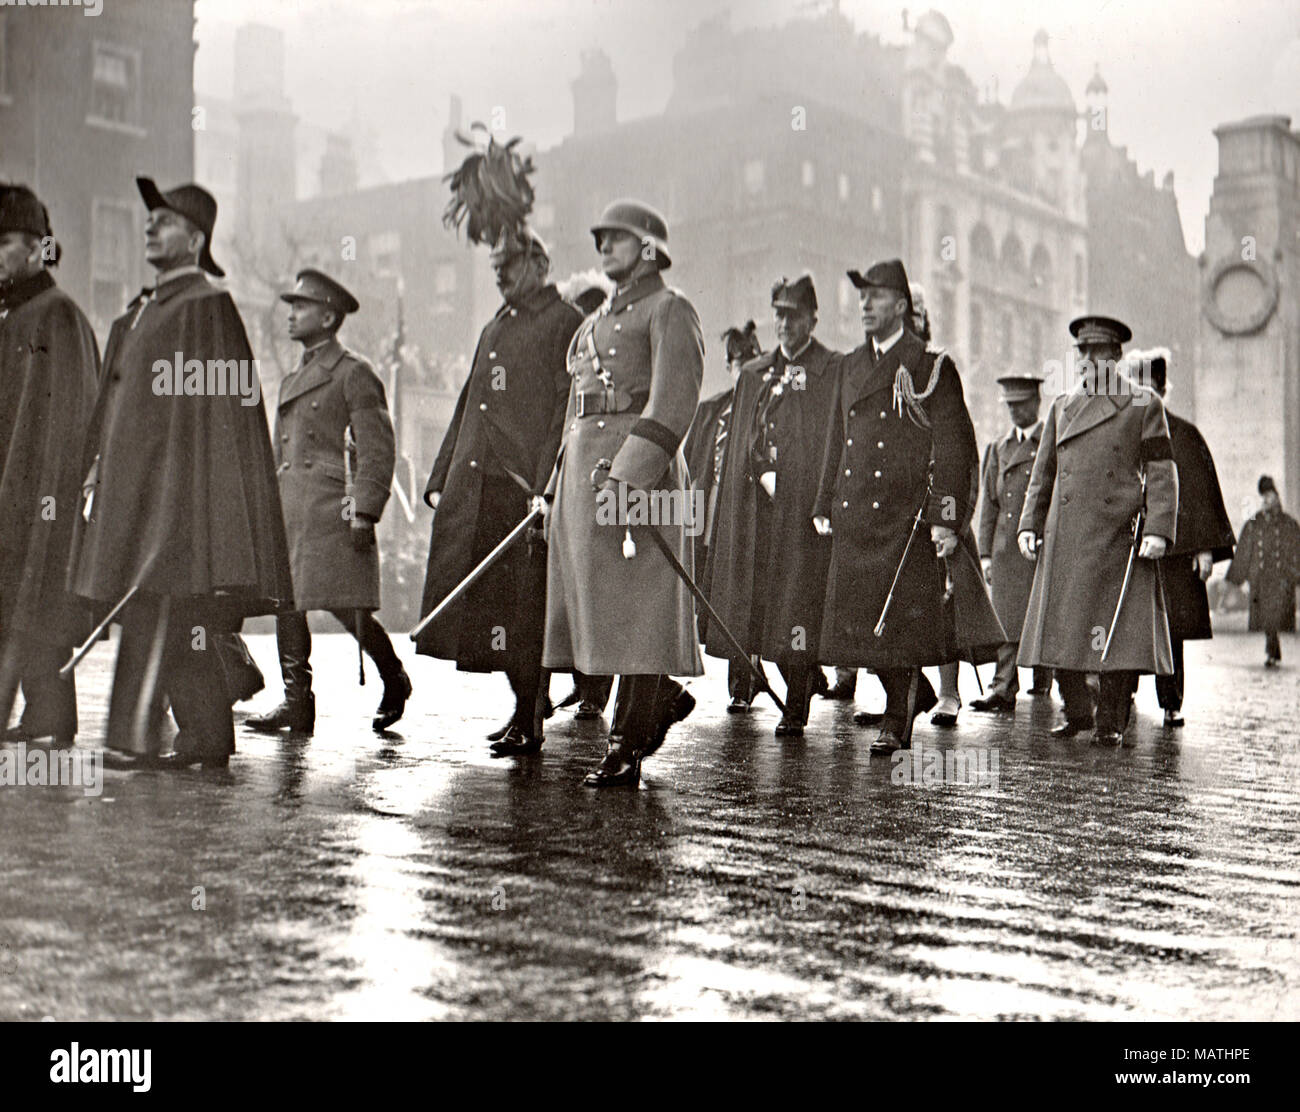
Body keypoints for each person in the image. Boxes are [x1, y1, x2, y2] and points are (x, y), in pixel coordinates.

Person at [69, 177, 292, 770]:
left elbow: (223, 420)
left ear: (194, 240)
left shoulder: (205, 308)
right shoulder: (144, 311)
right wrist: (96, 471)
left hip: (177, 500)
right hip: (132, 494)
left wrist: (190, 501)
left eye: (164, 221)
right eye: (150, 220)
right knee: (171, 613)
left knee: (160, 609)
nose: (149, 227)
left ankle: (133, 737)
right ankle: (206, 736)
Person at [540, 199, 704, 787]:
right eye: (600, 238)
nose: (604, 246)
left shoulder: (669, 310)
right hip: (585, 476)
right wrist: (556, 485)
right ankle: (658, 697)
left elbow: (673, 403)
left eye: (617, 238)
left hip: (641, 475)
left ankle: (626, 741)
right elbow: (571, 413)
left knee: (640, 608)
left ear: (650, 248)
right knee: (602, 608)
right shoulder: (591, 324)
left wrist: (627, 477)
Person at [813, 259, 1002, 754]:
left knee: (899, 625)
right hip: (856, 515)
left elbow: (953, 447)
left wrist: (946, 519)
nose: (865, 305)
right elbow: (838, 440)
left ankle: (899, 717)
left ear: (901, 306)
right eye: (862, 297)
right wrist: (824, 502)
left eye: (875, 297)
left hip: (905, 519)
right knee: (860, 627)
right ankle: (907, 696)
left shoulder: (930, 366)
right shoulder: (849, 365)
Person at [416, 228, 580, 755]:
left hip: (525, 490)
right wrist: (441, 476)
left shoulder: (565, 323)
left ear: (540, 262)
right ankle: (523, 707)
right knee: (491, 609)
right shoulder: (495, 325)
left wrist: (546, 484)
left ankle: (531, 715)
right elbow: (470, 402)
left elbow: (565, 408)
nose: (500, 273)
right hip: (479, 485)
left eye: (509, 263)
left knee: (528, 608)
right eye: (495, 265)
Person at [247, 269, 408, 736]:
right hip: (290, 507)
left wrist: (364, 508)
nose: (292, 314)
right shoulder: (291, 378)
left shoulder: (353, 373)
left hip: (331, 507)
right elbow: (280, 452)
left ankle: (393, 677)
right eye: (292, 305)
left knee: (344, 604)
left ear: (329, 315)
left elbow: (377, 446)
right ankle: (297, 702)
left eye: (301, 306)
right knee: (287, 602)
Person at [1017, 315, 1178, 746]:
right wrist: (1029, 523)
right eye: (1083, 352)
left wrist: (1159, 529)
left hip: (1117, 535)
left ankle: (1109, 719)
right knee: (1062, 629)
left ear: (1117, 356)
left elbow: (1162, 471)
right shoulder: (1061, 406)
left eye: (1099, 352)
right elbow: (1043, 472)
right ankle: (1077, 711)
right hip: (1066, 533)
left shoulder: (1143, 403)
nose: (1090, 360)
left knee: (1118, 634)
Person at [704, 275, 838, 736]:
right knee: (759, 607)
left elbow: (831, 442)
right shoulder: (755, 373)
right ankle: (779, 684)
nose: (784, 323)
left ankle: (797, 700)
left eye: (793, 315)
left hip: (802, 515)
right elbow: (746, 440)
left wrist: (813, 493)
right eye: (778, 314)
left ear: (812, 319)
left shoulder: (828, 370)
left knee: (796, 608)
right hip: (757, 514)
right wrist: (761, 472)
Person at [0, 185, 99, 749]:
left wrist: (52, 495)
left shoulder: (55, 314)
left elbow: (71, 417)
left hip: (38, 491)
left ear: (41, 249)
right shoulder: (12, 314)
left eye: (8, 242)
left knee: (32, 597)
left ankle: (48, 711)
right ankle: (46, 712)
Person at [1137, 349, 1235, 722]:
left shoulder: (1185, 434)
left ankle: (1171, 703)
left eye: (1151, 389)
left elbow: (1200, 493)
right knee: (1130, 625)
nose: (1145, 396)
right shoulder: (1128, 428)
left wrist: (1205, 548)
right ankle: (1122, 698)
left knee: (1171, 628)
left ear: (1163, 389)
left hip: (1176, 551)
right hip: (1136, 547)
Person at [683, 322, 766, 713]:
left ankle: (743, 682)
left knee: (743, 596)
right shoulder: (710, 410)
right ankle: (746, 675)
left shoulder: (766, 408)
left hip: (747, 516)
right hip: (709, 514)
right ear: (730, 365)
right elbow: (692, 466)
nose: (743, 367)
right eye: (737, 361)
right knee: (714, 597)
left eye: (750, 359)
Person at [970, 373, 1055, 712]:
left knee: (1040, 614)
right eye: (1010, 405)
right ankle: (1003, 687)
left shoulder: (1049, 443)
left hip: (1037, 546)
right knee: (1004, 619)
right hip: (1006, 550)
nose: (1015, 411)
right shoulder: (998, 449)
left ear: (1036, 403)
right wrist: (986, 554)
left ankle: (1044, 678)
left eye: (1021, 404)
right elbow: (989, 506)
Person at [1226, 475, 1300, 667]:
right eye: (1264, 496)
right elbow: (1245, 547)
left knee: (1274, 617)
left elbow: (1296, 549)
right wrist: (1237, 578)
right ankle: (1272, 649)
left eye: (1270, 495)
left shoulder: (1288, 523)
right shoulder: (1254, 521)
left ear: (1276, 496)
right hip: (1261, 579)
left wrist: (1294, 574)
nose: (1267, 500)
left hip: (1280, 579)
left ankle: (1272, 650)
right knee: (1268, 618)